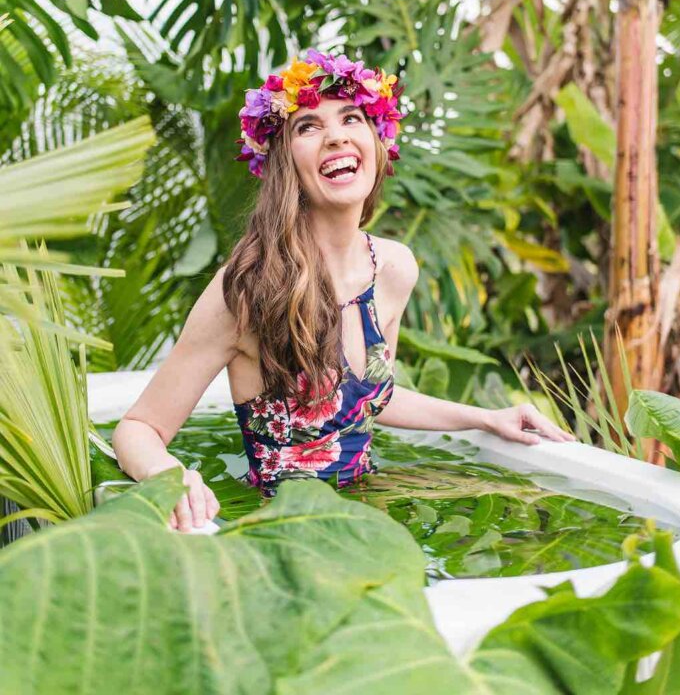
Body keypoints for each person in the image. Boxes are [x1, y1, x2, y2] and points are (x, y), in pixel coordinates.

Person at [112, 49, 574, 532]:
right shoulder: (248, 288)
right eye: (308, 126)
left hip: (369, 521)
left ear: (375, 143)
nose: (336, 135)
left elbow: (370, 400)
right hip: (275, 534)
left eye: (351, 117)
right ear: (283, 163)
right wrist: (172, 477)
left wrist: (485, 418)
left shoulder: (393, 268)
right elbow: (139, 428)